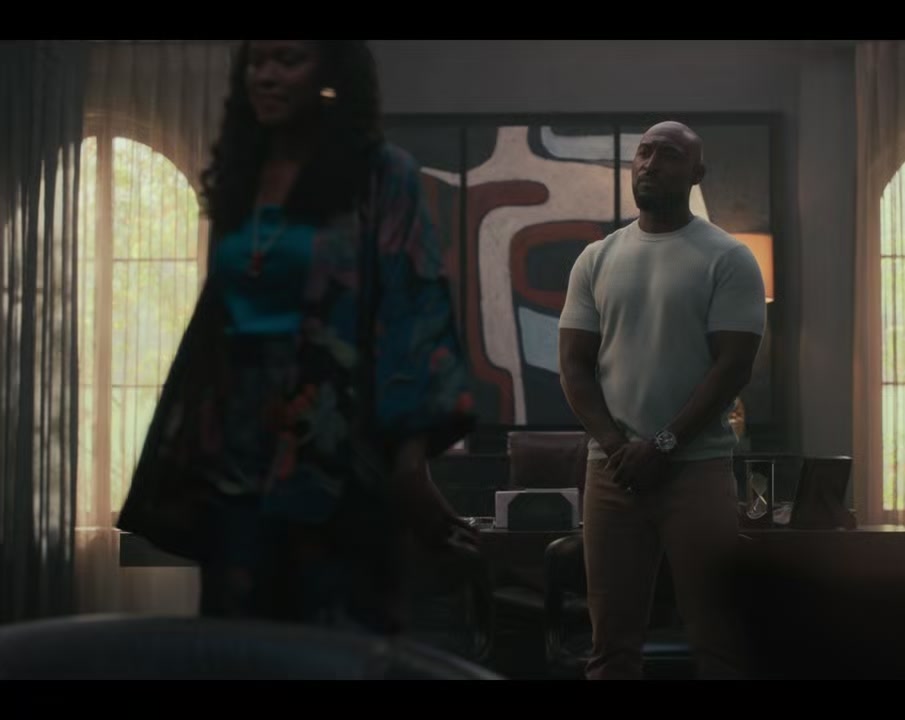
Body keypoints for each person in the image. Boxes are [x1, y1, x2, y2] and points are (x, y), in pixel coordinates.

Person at [117, 40, 476, 634]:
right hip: (235, 459)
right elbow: (218, 322)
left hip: (334, 448)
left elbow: (412, 309)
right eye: (256, 62)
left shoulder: (380, 174)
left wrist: (410, 465)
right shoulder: (241, 176)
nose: (266, 76)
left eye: (288, 61)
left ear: (331, 71)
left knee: (336, 641)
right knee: (242, 641)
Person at [558, 121, 767, 679]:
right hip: (613, 474)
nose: (650, 164)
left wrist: (664, 445)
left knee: (719, 643)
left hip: (696, 470)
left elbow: (733, 367)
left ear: (697, 174)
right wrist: (617, 446)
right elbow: (574, 367)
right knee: (611, 649)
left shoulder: (729, 257)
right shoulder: (596, 258)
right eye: (644, 153)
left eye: (669, 155)